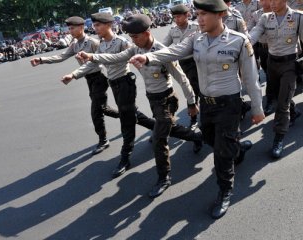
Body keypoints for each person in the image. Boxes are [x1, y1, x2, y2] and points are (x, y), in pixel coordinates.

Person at [129, 0, 265, 219]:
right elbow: (174, 51)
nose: (199, 19)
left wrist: (257, 108)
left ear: (221, 14)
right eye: (198, 13)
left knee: (221, 154)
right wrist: (148, 57)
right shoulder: (196, 39)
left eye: (204, 14)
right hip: (207, 105)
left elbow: (251, 77)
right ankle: (237, 150)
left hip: (229, 105)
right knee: (211, 138)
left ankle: (224, 191)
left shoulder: (239, 41)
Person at [62, 12, 202, 179]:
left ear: (147, 34)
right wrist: (91, 56)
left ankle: (161, 177)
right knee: (165, 128)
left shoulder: (162, 52)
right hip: (152, 98)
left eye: (135, 36)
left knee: (157, 138)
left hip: (166, 98)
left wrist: (192, 103)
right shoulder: (135, 49)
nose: (133, 40)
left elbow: (182, 78)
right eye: (131, 37)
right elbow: (116, 57)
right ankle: (197, 137)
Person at [31, 16, 119, 155]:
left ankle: (103, 140)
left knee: (96, 111)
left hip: (99, 78)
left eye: (72, 28)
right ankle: (129, 116)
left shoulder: (93, 42)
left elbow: (102, 60)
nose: (70, 31)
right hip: (89, 79)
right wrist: (41, 59)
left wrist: (75, 73)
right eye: (69, 28)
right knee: (105, 109)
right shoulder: (75, 44)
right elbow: (61, 56)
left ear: (81, 27)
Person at [249, 0, 303, 159]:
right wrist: (242, 44)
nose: (271, 3)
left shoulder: (299, 17)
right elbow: (254, 34)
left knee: (281, 104)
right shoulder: (265, 18)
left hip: (290, 64)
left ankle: (279, 137)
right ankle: (294, 111)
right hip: (272, 63)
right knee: (280, 94)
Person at [163, 4, 201, 129]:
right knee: (192, 89)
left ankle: (195, 118)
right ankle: (195, 116)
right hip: (182, 64)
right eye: (174, 17)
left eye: (179, 16)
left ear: (187, 15)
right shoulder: (173, 30)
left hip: (196, 62)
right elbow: (164, 45)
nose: (176, 19)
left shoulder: (196, 27)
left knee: (194, 89)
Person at [247, 0, 273, 115]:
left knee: (272, 76)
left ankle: (271, 101)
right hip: (263, 48)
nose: (262, 1)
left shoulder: (278, 11)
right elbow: (250, 29)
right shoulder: (256, 14)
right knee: (268, 73)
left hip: (278, 49)